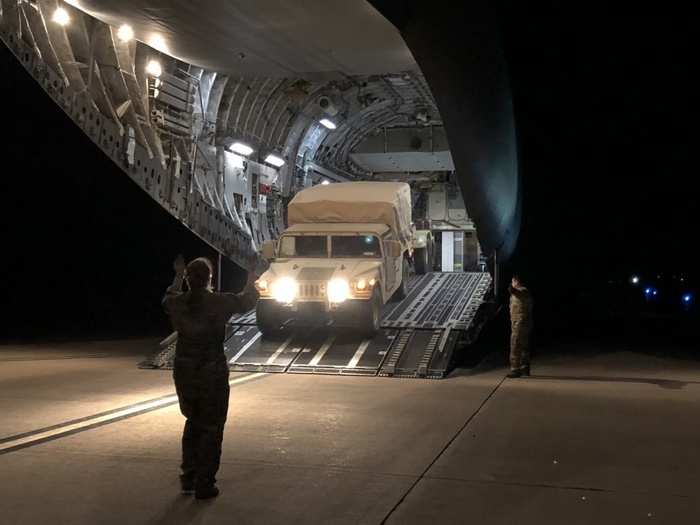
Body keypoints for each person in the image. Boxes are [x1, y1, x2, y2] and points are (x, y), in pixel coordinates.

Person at [162, 255, 258, 499]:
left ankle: (189, 477)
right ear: (210, 279)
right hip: (211, 372)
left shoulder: (178, 303)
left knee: (192, 421)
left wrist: (177, 275)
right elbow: (248, 300)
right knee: (212, 427)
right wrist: (252, 276)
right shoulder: (219, 303)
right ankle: (205, 483)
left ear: (188, 279)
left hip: (184, 371)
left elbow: (168, 298)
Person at [507, 274, 534, 378]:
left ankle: (515, 369)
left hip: (520, 323)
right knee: (524, 347)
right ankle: (524, 369)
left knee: (515, 345)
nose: (512, 283)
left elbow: (516, 292)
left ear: (516, 281)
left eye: (513, 281)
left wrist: (511, 288)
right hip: (522, 323)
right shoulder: (524, 292)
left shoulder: (523, 291)